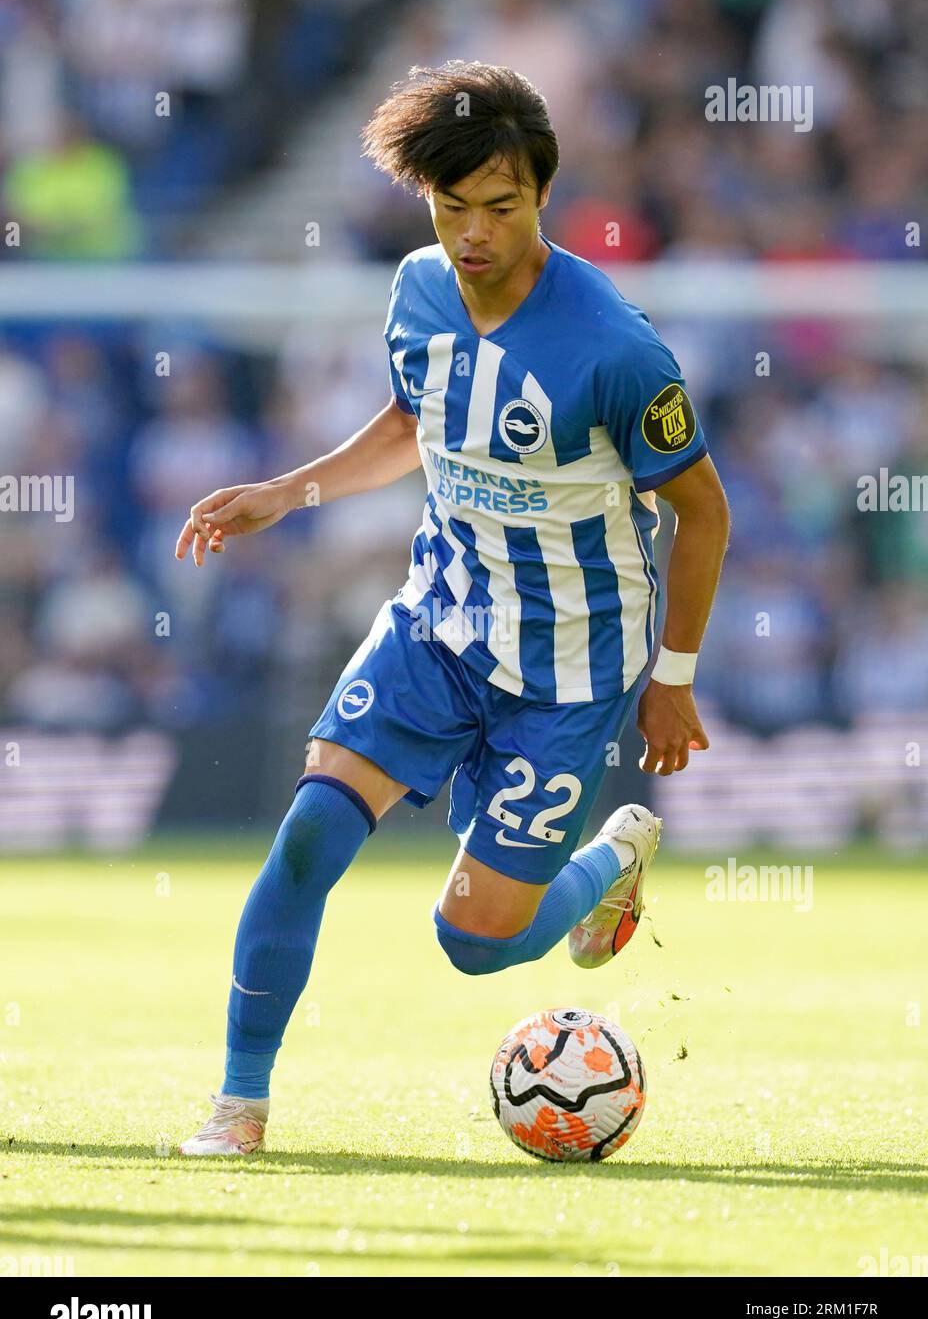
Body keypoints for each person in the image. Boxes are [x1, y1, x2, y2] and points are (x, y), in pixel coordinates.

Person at [174, 62, 730, 1156]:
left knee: (474, 943)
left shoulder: (617, 351)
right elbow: (411, 419)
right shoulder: (417, 288)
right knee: (306, 837)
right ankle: (238, 1103)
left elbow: (703, 516)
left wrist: (671, 686)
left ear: (541, 199)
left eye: (501, 207)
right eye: (452, 206)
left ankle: (607, 863)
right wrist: (291, 490)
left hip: (572, 668)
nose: (474, 233)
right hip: (440, 621)